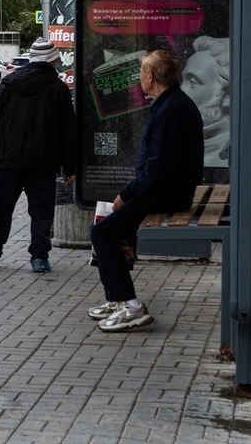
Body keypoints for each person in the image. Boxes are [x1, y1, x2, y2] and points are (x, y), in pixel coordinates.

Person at [88, 49, 204, 332]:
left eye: (141, 75)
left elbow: (159, 167)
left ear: (150, 77)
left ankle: (130, 306)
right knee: (107, 225)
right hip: (166, 187)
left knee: (102, 233)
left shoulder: (173, 109)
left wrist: (128, 193)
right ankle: (117, 300)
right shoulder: (171, 103)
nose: (139, 80)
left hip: (169, 191)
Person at [0, 38, 77, 274]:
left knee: (3, 208)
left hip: (10, 159)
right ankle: (39, 257)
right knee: (41, 210)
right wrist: (70, 166)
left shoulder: (8, 85)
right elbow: (67, 130)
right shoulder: (58, 88)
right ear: (52, 61)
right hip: (44, 161)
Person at [180, 36, 231, 167]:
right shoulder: (182, 139)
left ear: (227, 97)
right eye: (183, 80)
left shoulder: (231, 153)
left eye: (192, 82)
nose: (180, 90)